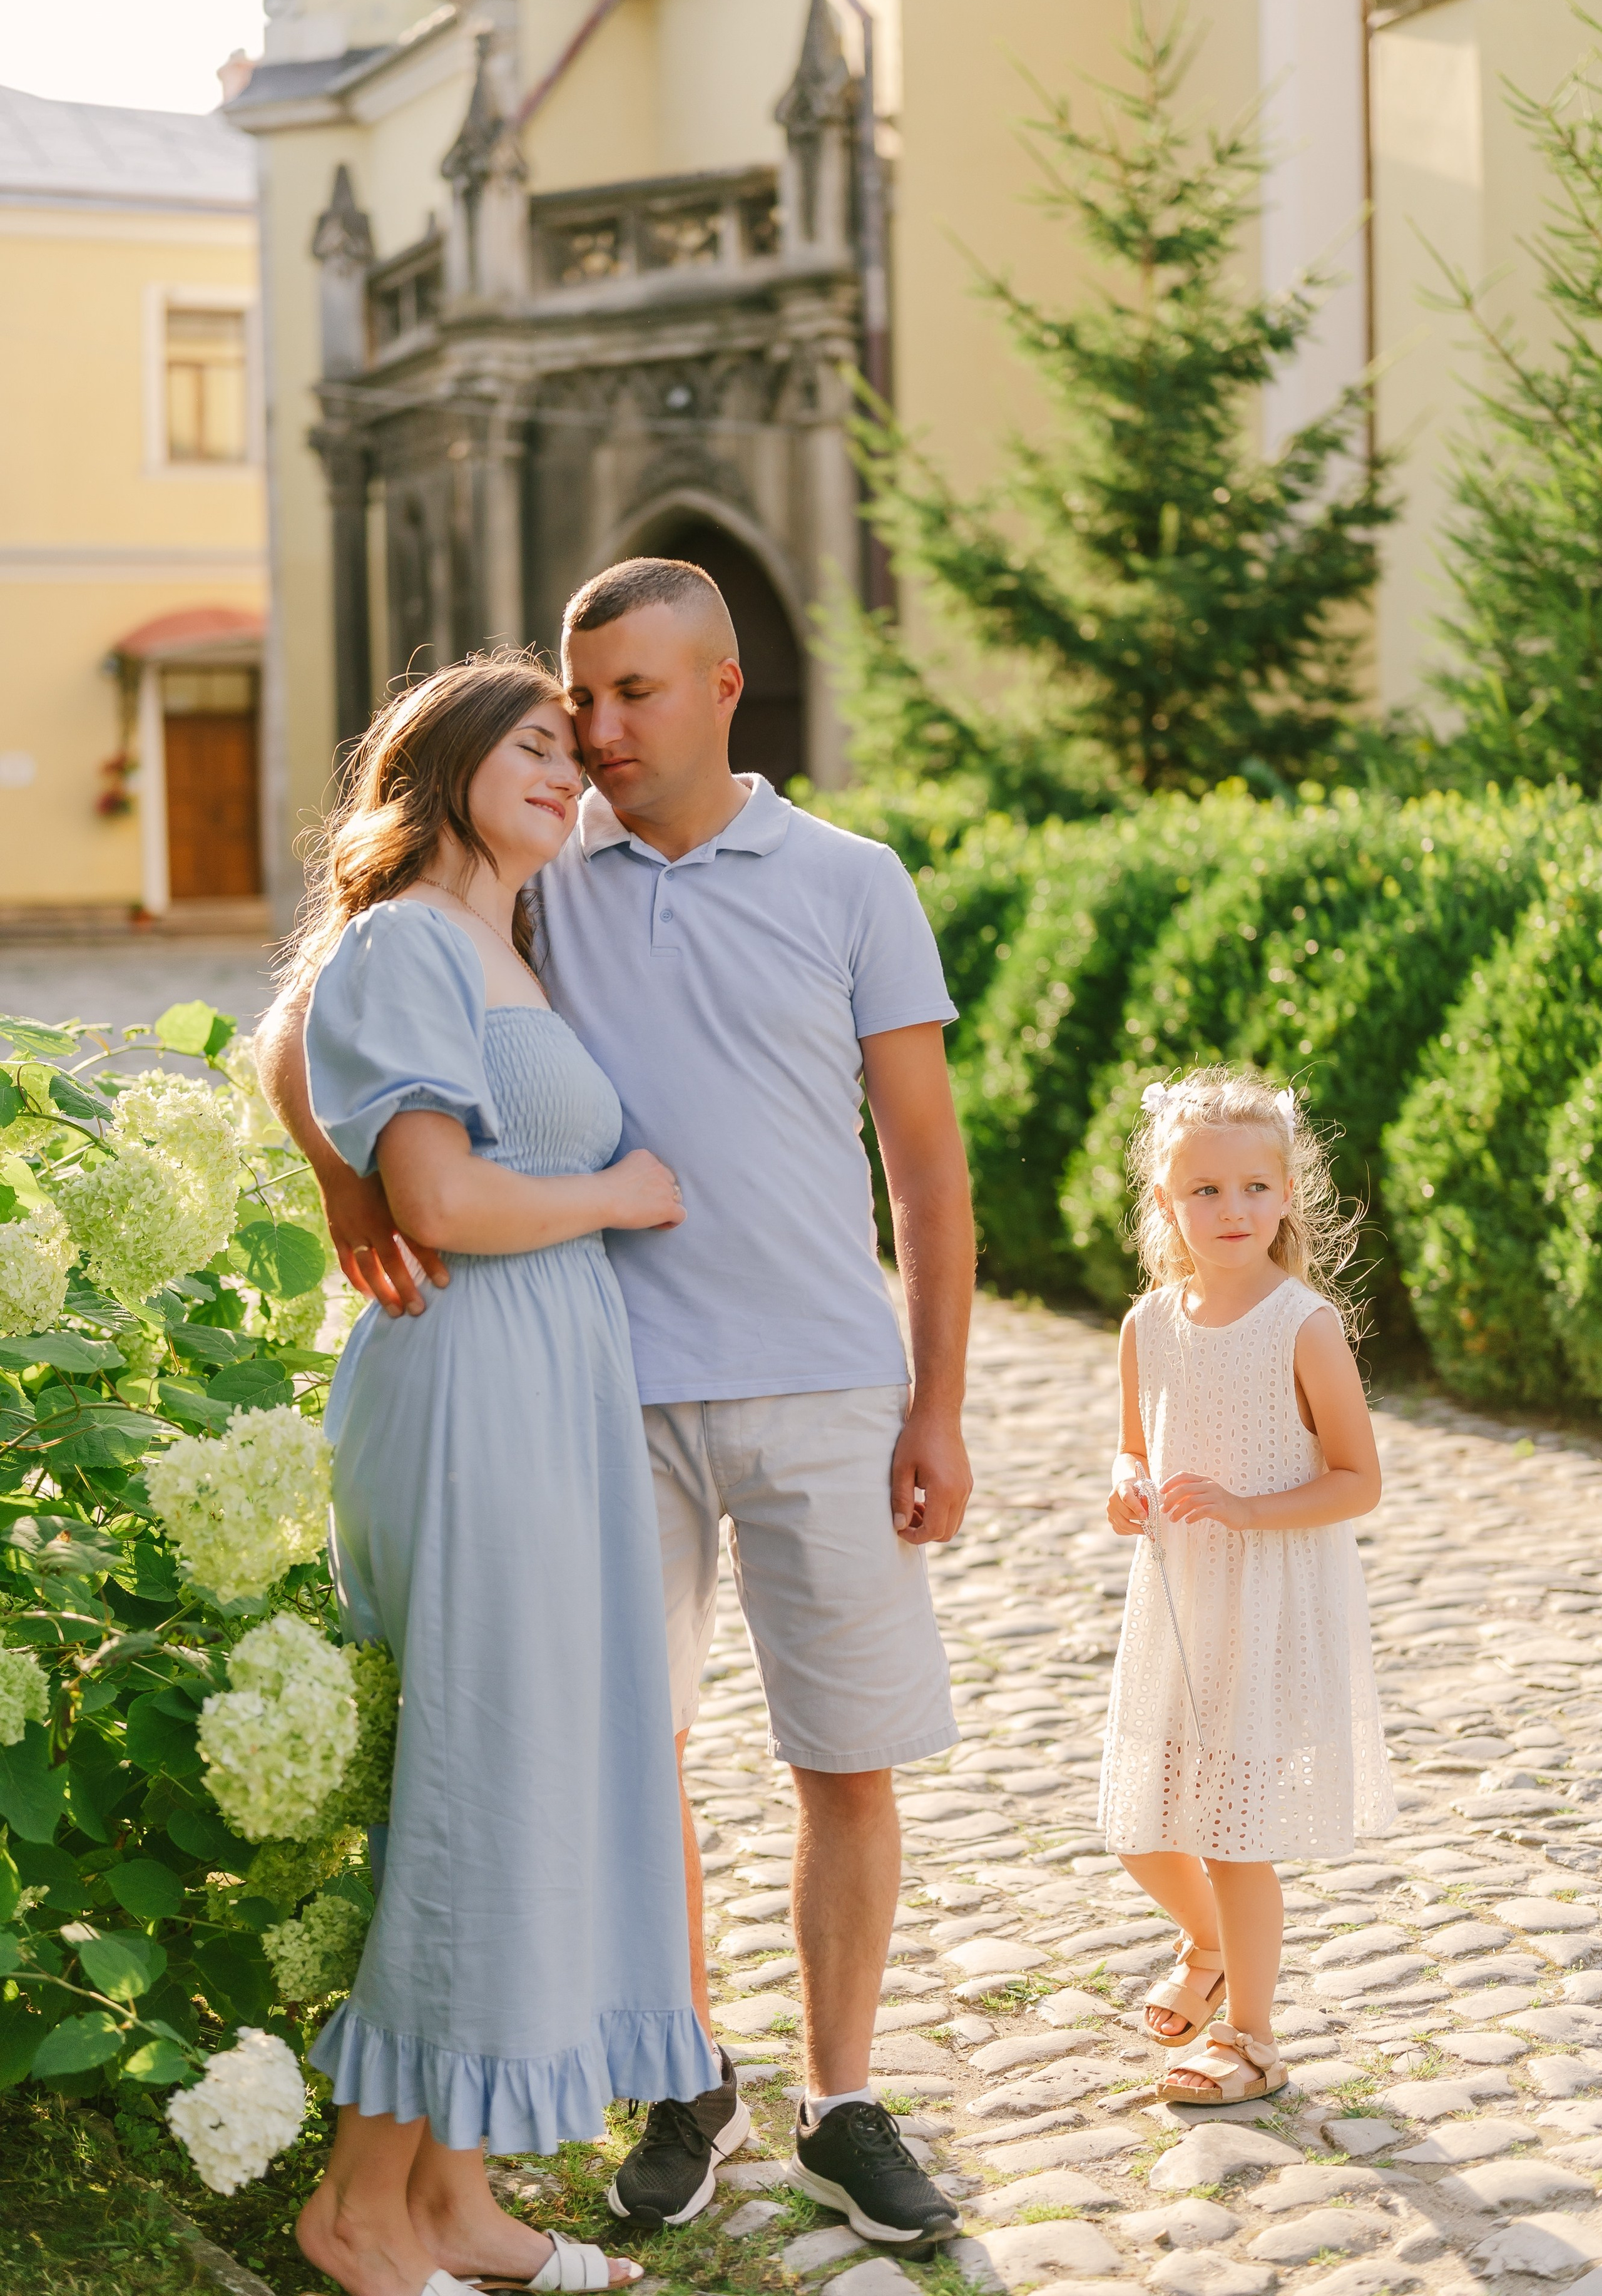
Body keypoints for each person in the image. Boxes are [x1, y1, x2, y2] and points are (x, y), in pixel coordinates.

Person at [258, 557, 976, 2248]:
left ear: (724, 688)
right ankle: (686, 2079)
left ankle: (842, 2102)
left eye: (630, 696)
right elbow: (305, 1017)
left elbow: (929, 1172)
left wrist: (938, 1405)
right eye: (577, 701)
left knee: (843, 1754)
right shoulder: (539, 864)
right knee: (619, 1758)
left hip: (822, 1376)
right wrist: (352, 1195)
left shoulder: (850, 878)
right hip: (599, 1396)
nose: (594, 733)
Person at [283, 652, 716, 2296]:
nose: (567, 771)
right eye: (534, 745)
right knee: (480, 1783)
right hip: (471, 1387)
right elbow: (447, 1200)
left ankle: (454, 2199)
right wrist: (615, 1194)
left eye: (573, 756)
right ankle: (358, 2211)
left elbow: (292, 1045)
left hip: (548, 1390)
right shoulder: (408, 937)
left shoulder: (503, 945)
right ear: (448, 761)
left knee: (527, 1779)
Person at [1100, 1067, 1393, 2104]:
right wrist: (1127, 1486)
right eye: (1206, 1190)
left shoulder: (1303, 1326)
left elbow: (1358, 1480)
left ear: (1287, 1194)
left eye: (1255, 1187)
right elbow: (1134, 1449)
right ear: (1167, 1201)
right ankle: (1208, 1942)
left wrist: (1247, 1509)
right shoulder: (1148, 1325)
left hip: (1268, 1604)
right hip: (1180, 1606)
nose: (1234, 1209)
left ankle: (1252, 2038)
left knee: (1231, 1836)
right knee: (1139, 1827)